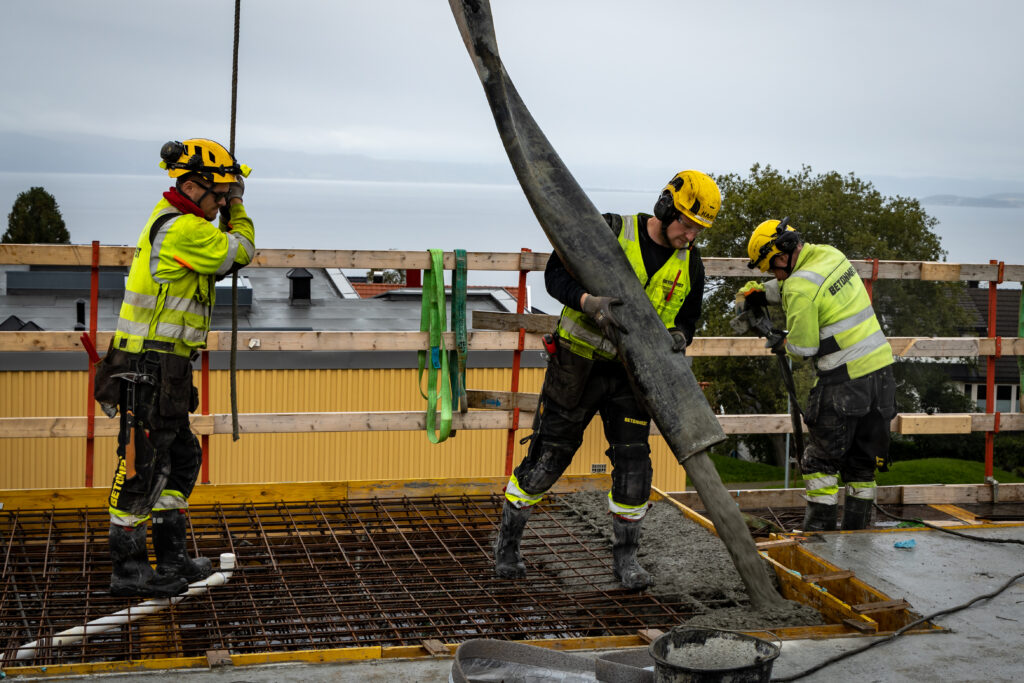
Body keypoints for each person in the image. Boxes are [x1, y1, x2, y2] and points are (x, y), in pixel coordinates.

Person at [494, 170, 720, 589]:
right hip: (577, 366)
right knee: (548, 458)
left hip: (633, 378)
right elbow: (553, 276)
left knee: (635, 469)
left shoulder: (692, 264)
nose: (689, 235)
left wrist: (679, 337)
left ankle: (626, 561)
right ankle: (508, 545)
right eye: (686, 223)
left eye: (698, 229)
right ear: (666, 207)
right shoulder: (611, 231)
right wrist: (587, 301)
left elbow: (688, 319)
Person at [93, 138, 255, 597]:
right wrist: (239, 208)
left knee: (180, 457)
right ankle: (129, 571)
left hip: (166, 368)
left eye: (228, 193)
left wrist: (226, 206)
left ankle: (171, 558)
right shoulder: (183, 228)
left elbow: (217, 261)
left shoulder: (183, 225)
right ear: (191, 184)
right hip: (149, 367)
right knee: (145, 468)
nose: (223, 200)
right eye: (219, 192)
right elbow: (238, 251)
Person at [740, 218, 895, 531]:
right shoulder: (830, 255)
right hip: (882, 376)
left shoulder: (798, 288)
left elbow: (804, 346)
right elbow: (808, 285)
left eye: (772, 269)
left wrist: (778, 339)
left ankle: (819, 542)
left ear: (781, 256)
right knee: (860, 463)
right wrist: (763, 293)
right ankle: (858, 539)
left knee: (819, 462)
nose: (773, 275)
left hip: (844, 381)